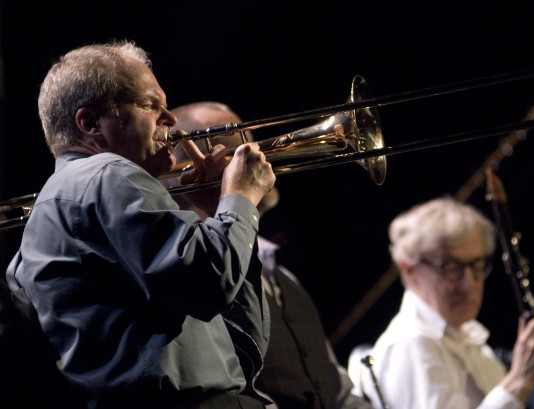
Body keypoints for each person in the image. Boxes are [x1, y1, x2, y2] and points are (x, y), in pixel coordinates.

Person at [4, 40, 275, 409]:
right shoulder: (106, 173)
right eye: (150, 105)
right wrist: (241, 197)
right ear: (89, 123)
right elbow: (209, 284)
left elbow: (242, 344)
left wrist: (217, 213)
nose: (171, 120)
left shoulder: (71, 194)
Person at [169, 101, 373, 409]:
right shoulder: (195, 275)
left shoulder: (284, 277)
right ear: (193, 167)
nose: (258, 155)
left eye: (251, 139)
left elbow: (335, 386)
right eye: (237, 146)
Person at [358, 197, 534, 409]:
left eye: (476, 265)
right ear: (409, 270)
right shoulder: (409, 345)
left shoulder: (467, 335)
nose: (469, 285)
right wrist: (519, 381)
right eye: (451, 268)